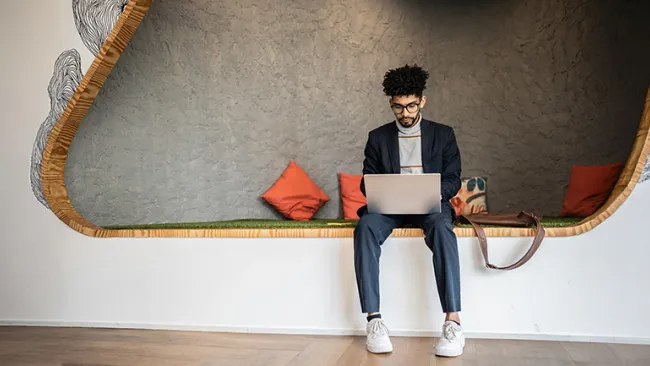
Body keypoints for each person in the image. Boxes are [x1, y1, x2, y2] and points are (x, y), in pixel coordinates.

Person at [354, 64, 464, 357]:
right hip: (390, 208)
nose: (405, 113)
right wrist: (377, 189)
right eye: (398, 107)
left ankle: (453, 322)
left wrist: (433, 191)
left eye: (411, 105)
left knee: (443, 227)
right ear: (391, 104)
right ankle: (374, 321)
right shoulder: (377, 138)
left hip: (430, 206)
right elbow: (367, 182)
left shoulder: (443, 135)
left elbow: (454, 179)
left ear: (422, 101)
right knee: (364, 227)